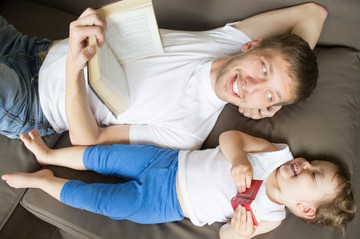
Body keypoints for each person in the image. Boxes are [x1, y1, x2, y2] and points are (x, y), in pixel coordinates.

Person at [0, 3, 328, 150]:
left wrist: (74, 68)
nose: (251, 86)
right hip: (31, 47)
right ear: (253, 45)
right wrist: (274, 97)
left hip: (30, 104)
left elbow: (89, 140)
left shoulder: (188, 131)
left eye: (268, 95)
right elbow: (312, 13)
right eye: (264, 69)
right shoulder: (229, 42)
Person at [2, 129, 355, 239]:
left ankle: (41, 181)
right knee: (104, 156)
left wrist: (238, 233)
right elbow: (231, 136)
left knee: (103, 202)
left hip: (163, 203)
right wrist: (239, 159)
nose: (305, 163)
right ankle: (49, 155)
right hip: (168, 162)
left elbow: (223, 236)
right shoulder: (275, 155)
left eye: (313, 174)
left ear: (305, 210)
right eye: (313, 162)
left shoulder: (271, 216)